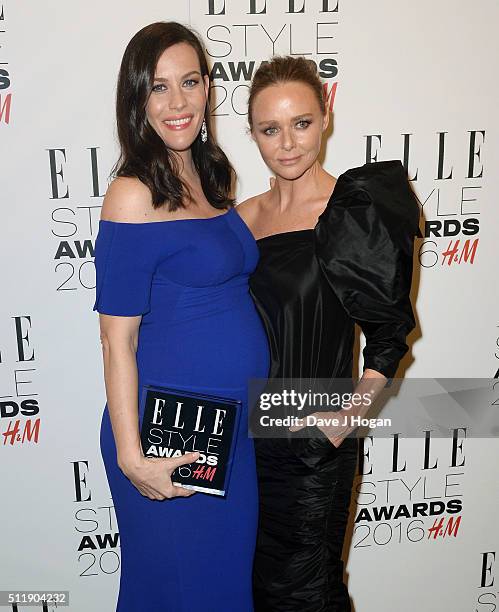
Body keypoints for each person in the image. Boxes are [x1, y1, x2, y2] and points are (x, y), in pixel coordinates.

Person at [93, 22, 269, 612]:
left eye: (189, 82)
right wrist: (130, 455)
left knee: (221, 593)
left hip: (231, 430)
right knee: (176, 592)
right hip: (171, 435)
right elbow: (117, 341)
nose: (178, 102)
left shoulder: (213, 179)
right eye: (159, 87)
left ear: (207, 88)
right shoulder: (131, 194)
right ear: (137, 99)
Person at [237, 56, 419, 611]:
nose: (287, 143)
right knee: (253, 590)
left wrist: (348, 418)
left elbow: (389, 333)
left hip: (314, 442)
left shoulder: (352, 210)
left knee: (305, 592)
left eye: (301, 123)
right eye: (270, 129)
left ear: (326, 115)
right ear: (253, 133)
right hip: (246, 439)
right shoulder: (241, 220)